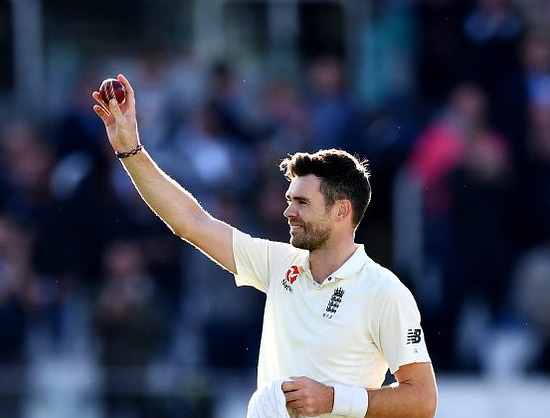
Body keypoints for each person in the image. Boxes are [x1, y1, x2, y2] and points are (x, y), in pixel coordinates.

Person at [92, 74, 437, 418]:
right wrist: (130, 150)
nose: (288, 211)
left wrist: (333, 399)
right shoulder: (279, 264)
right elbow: (190, 222)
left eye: (302, 202)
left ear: (341, 211)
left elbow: (422, 399)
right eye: (289, 199)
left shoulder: (384, 291)